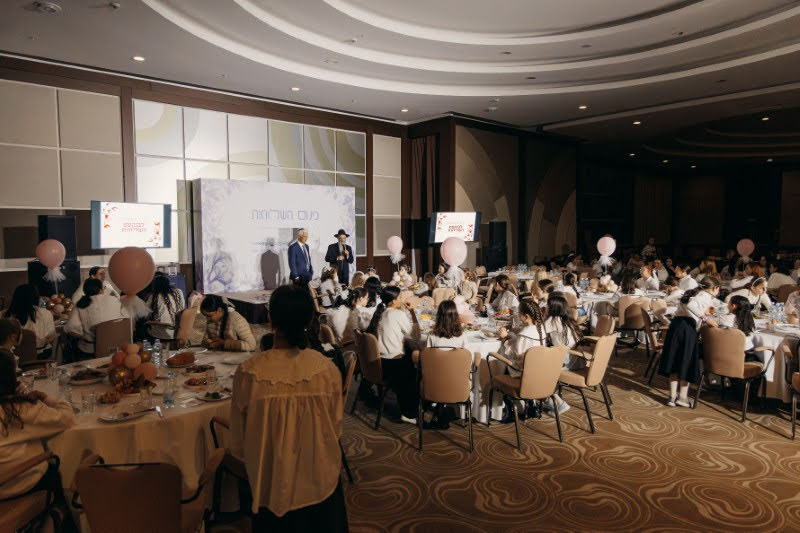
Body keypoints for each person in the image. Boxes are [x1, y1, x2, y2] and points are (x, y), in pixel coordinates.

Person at [230, 285, 347, 531]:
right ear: (309, 320)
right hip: (321, 480)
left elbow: (239, 443)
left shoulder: (249, 372)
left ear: (270, 318)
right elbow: (335, 430)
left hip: (269, 483)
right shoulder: (327, 370)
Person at [0, 322, 76, 528]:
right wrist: (46, 399)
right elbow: (67, 418)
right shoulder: (18, 410)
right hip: (19, 485)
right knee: (59, 468)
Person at [658, 277, 721, 408]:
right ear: (715, 288)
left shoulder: (693, 293)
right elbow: (691, 305)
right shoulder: (704, 296)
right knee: (686, 362)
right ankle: (682, 397)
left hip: (676, 326)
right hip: (687, 329)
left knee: (675, 361)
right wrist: (705, 318)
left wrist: (705, 315)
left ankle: (672, 397)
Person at [366, 286, 420, 424]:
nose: (402, 299)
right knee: (418, 366)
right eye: (400, 297)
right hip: (393, 365)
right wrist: (412, 312)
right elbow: (416, 335)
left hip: (379, 363)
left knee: (410, 354)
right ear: (394, 300)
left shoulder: (381, 312)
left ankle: (410, 404)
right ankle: (410, 412)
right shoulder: (397, 314)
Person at [496, 300, 549, 421]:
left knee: (501, 366)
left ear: (526, 316)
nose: (518, 315)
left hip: (522, 372)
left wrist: (505, 339)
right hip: (538, 370)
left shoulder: (525, 334)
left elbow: (515, 355)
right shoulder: (540, 329)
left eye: (519, 313)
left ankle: (510, 410)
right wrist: (512, 336)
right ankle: (531, 405)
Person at [64, 278, 126, 358]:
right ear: (101, 290)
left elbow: (71, 327)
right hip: (116, 349)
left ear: (85, 291)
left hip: (90, 351)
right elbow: (126, 320)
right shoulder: (115, 300)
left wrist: (86, 334)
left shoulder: (80, 304)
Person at [3, 284, 56, 357]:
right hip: (39, 355)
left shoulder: (4, 314)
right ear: (35, 297)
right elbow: (51, 336)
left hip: (9, 355)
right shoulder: (44, 313)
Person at [143, 273, 185, 340]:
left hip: (160, 333)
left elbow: (146, 315)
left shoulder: (153, 297)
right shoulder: (179, 292)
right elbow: (182, 308)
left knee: (142, 327)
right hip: (177, 332)